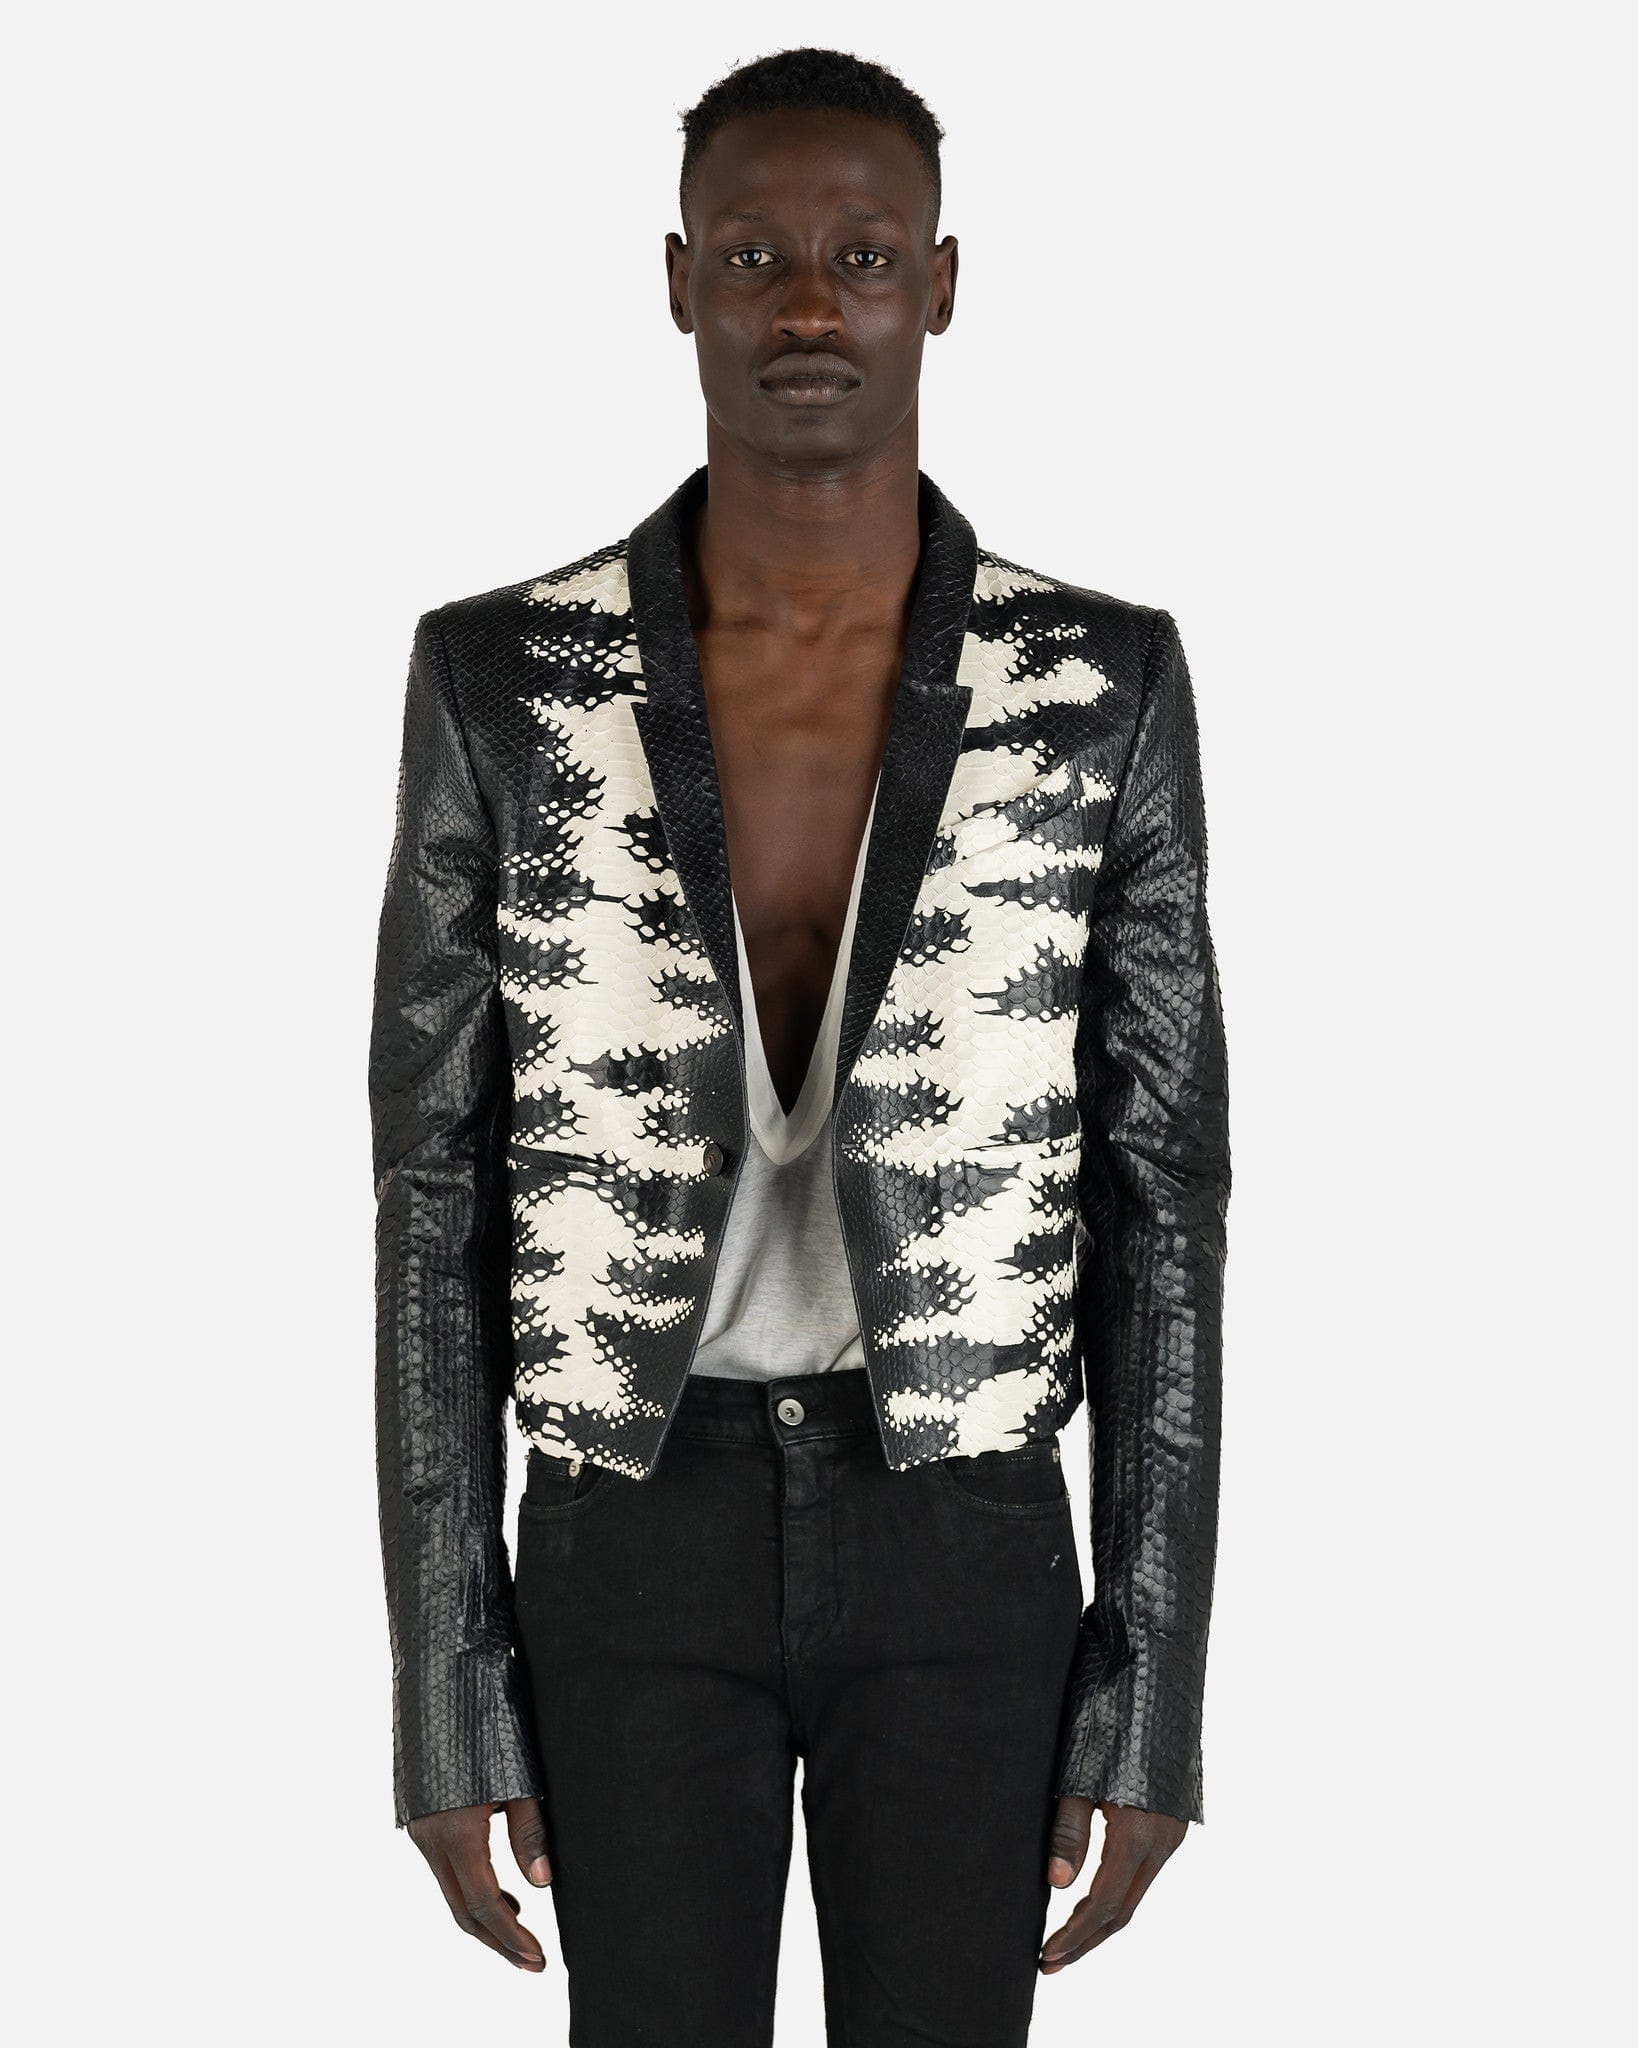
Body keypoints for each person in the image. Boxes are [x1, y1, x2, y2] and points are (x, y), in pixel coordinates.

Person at [368, 43, 1230, 2047]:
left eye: (864, 254)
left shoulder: (1098, 681)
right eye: (755, 255)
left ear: (944, 283)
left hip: (967, 1524)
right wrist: (446, 1683)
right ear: (679, 282)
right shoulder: (501, 677)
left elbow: (1164, 1195)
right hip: (624, 1524)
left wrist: (1151, 1684)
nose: (810, 304)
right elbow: (429, 1192)